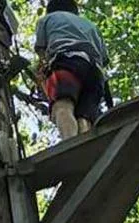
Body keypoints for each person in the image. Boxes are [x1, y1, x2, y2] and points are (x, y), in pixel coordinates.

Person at [34, 0, 111, 141]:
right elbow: (104, 59)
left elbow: (41, 51)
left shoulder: (47, 20)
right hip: (96, 73)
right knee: (84, 117)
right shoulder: (92, 26)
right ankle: (85, 148)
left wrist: (42, 76)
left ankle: (70, 145)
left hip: (67, 62)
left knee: (62, 106)